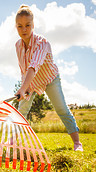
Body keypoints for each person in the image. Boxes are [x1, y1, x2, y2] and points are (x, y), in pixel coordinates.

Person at [14, 4, 83, 151]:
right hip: (31, 83)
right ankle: (13, 144)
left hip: (49, 79)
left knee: (62, 109)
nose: (24, 29)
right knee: (21, 111)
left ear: (33, 25)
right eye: (20, 26)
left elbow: (33, 66)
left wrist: (23, 87)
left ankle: (77, 143)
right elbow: (23, 69)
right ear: (16, 26)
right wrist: (24, 88)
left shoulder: (42, 43)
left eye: (27, 25)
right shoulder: (18, 45)